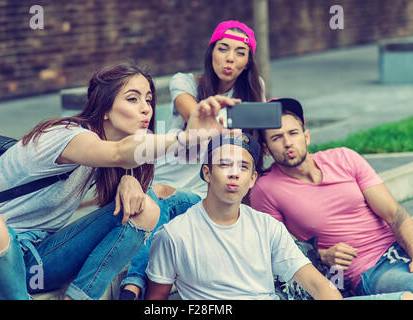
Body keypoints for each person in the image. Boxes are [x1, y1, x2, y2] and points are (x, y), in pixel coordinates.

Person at [0, 63, 237, 300]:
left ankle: (81, 297)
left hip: (36, 259)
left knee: (146, 207)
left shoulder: (108, 156)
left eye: (148, 100)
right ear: (105, 109)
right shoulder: (64, 135)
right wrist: (184, 138)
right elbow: (118, 153)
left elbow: (123, 154)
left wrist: (129, 179)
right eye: (132, 99)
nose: (146, 109)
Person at [120, 19, 267, 300]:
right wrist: (210, 117)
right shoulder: (183, 81)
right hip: (161, 178)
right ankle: (136, 284)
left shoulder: (251, 89)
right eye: (223, 48)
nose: (230, 58)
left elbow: (252, 142)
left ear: (248, 62)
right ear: (211, 51)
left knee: (165, 199)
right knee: (158, 198)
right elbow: (191, 112)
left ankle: (133, 286)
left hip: (202, 192)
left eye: (240, 52)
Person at [144, 132, 344, 300]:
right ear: (207, 173)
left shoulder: (267, 227)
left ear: (252, 179)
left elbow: (319, 285)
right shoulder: (174, 235)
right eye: (224, 165)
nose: (234, 174)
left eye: (243, 167)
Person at [249, 98, 413, 297]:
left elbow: (395, 215)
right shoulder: (265, 190)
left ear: (306, 136)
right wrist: (322, 256)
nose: (288, 143)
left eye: (293, 133)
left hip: (401, 245)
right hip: (368, 270)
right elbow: (276, 253)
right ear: (266, 148)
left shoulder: (344, 158)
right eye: (276, 138)